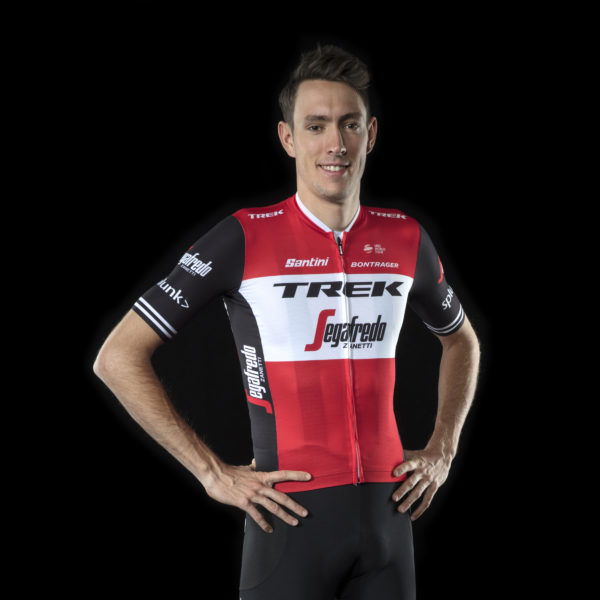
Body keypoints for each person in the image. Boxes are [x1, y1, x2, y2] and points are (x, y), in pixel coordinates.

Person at [93, 44, 480, 600]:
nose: (335, 143)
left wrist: (443, 447)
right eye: (316, 126)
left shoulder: (405, 238)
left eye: (349, 124)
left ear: (370, 134)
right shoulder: (244, 237)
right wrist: (211, 473)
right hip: (290, 526)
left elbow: (463, 341)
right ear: (288, 138)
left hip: (389, 525)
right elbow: (117, 356)